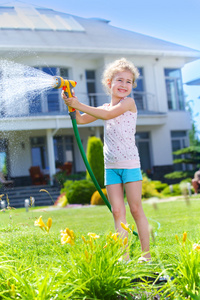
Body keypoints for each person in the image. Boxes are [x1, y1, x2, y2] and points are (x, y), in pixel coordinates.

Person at [62, 58, 151, 261]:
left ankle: (146, 256)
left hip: (129, 164)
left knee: (136, 209)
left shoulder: (128, 103)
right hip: (111, 167)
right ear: (109, 83)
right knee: (117, 211)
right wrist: (70, 102)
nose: (124, 85)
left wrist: (78, 104)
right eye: (120, 80)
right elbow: (82, 119)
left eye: (129, 81)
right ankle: (124, 256)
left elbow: (108, 115)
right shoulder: (103, 107)